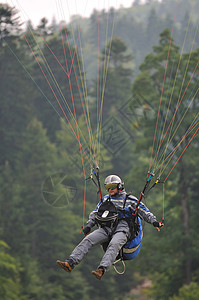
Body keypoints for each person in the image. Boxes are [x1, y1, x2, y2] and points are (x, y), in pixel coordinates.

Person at [56, 175, 163, 280]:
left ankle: (101, 269)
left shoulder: (130, 200)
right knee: (88, 239)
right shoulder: (105, 199)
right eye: (107, 187)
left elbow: (144, 211)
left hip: (123, 228)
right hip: (107, 228)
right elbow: (95, 213)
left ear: (120, 186)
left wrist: (154, 222)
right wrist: (89, 225)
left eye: (112, 186)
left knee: (114, 243)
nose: (110, 189)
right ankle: (70, 263)